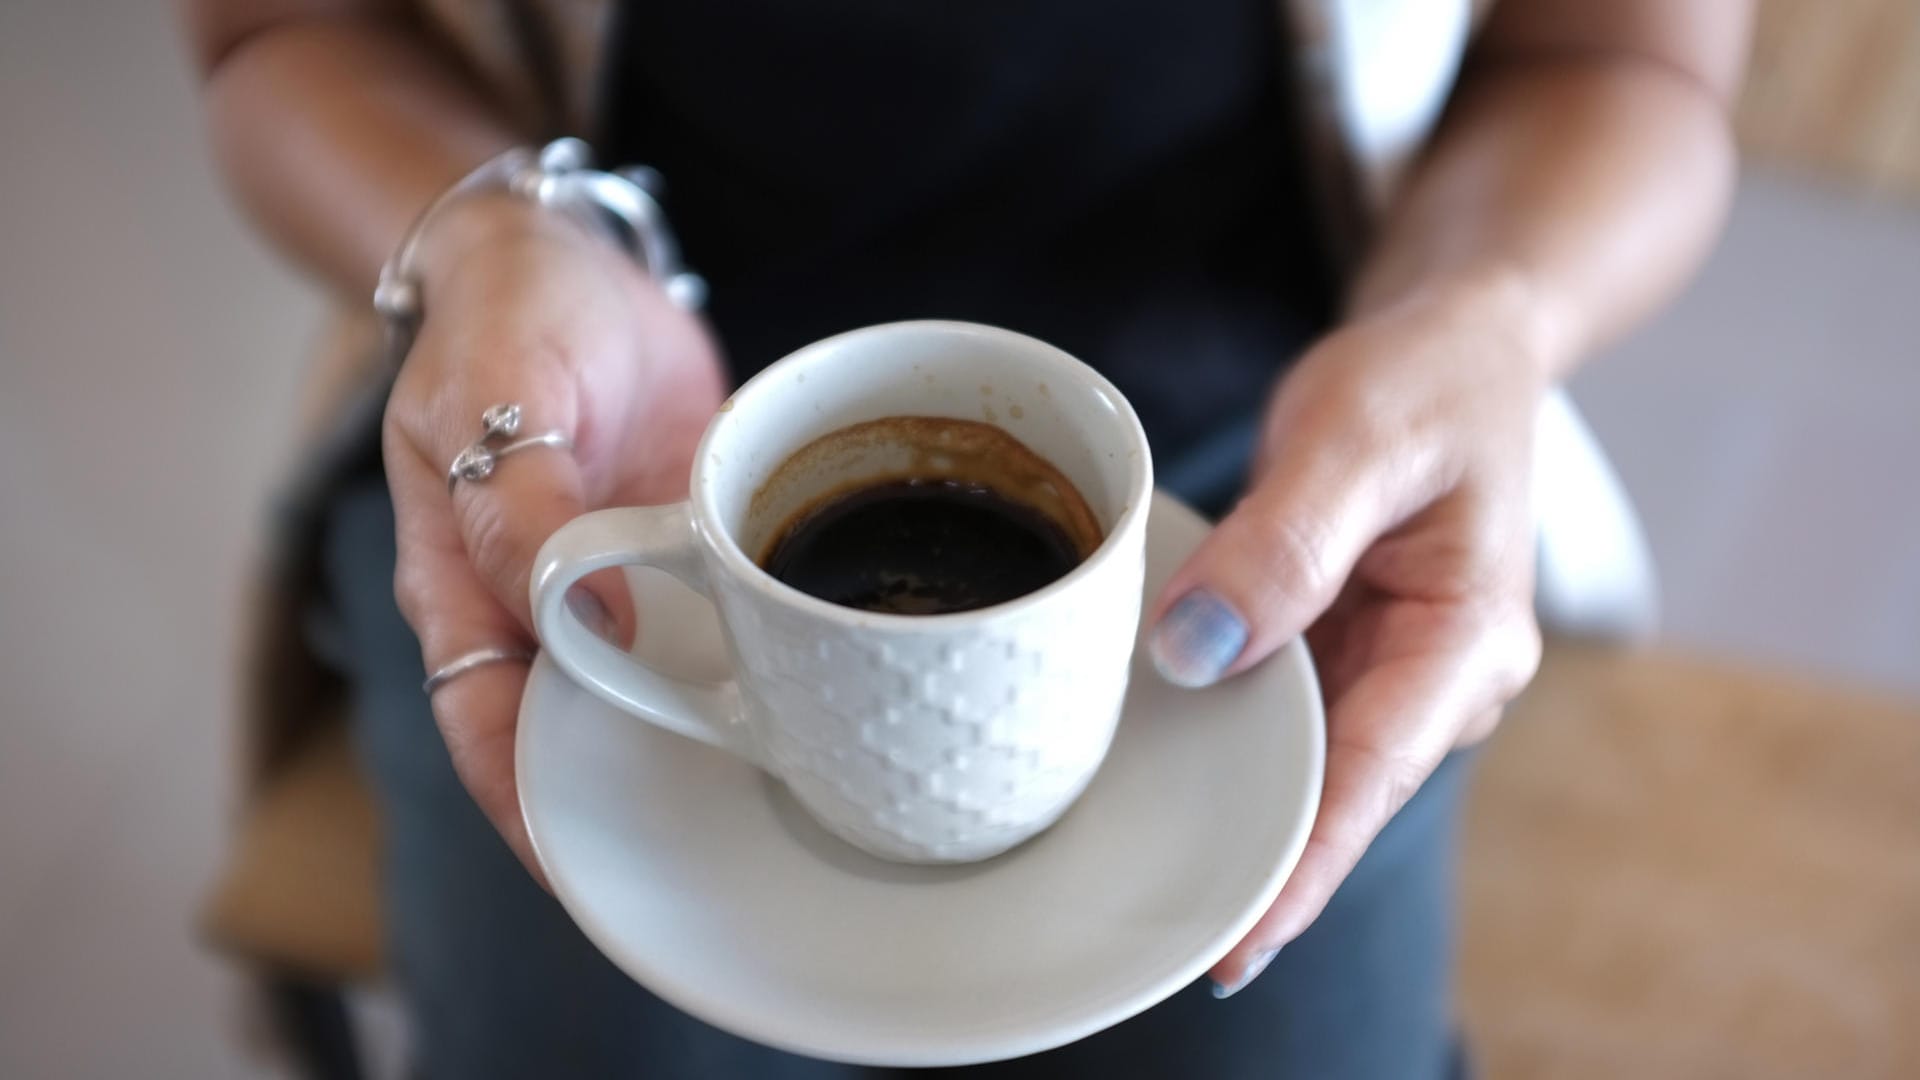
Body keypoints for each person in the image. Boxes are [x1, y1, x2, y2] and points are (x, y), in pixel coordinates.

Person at [185, 1, 1749, 1076]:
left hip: (1286, 439)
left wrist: (1478, 312)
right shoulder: (611, 481)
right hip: (609, 420)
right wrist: (494, 235)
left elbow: (1621, 55)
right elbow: (282, 29)